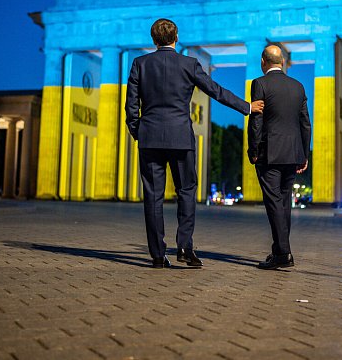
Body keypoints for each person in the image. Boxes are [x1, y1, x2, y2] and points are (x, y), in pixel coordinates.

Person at [125, 18, 264, 268]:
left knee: (153, 196)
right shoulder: (188, 64)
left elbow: (131, 106)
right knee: (187, 192)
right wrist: (247, 107)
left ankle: (157, 255)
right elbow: (215, 90)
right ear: (176, 37)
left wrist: (139, 132)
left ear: (154, 40)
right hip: (181, 138)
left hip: (150, 139)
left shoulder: (140, 64)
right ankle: (184, 247)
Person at [247, 45, 311, 270]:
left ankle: (283, 253)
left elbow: (256, 119)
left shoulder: (260, 84)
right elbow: (305, 123)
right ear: (282, 62)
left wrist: (253, 150)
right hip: (292, 153)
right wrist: (304, 154)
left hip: (269, 153)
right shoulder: (298, 87)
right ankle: (279, 251)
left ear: (263, 61)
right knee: (284, 203)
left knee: (274, 202)